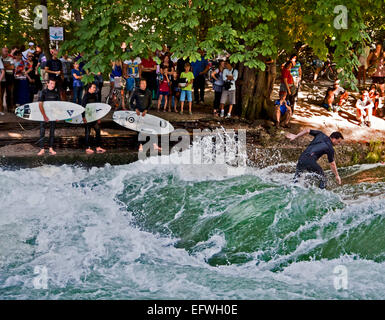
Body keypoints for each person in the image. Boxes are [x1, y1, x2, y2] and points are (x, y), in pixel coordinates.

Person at [129, 79, 161, 152]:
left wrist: (146, 110)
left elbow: (150, 103)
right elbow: (131, 103)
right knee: (140, 129)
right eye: (142, 83)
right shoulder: (136, 92)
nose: (143, 85)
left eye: (145, 84)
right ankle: (140, 145)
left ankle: (155, 145)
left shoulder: (148, 92)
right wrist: (135, 109)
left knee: (152, 128)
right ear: (139, 84)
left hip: (146, 114)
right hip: (138, 114)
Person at [37, 79, 61, 156]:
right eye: (51, 83)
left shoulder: (56, 93)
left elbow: (58, 106)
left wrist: (57, 116)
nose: (52, 85)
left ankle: (51, 148)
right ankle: (42, 149)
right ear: (47, 84)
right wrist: (44, 116)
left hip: (53, 115)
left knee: (52, 132)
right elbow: (40, 105)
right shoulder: (43, 92)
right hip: (43, 114)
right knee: (42, 131)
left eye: (54, 84)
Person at [81, 83, 106, 154]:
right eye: (93, 87)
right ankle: (87, 148)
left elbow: (96, 107)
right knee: (87, 132)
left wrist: (98, 117)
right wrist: (83, 117)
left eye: (95, 87)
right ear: (89, 88)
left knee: (98, 130)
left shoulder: (95, 95)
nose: (95, 89)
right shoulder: (86, 96)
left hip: (94, 117)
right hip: (88, 117)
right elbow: (83, 107)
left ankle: (98, 147)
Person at [1, 47, 15, 112]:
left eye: (7, 51)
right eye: (5, 51)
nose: (6, 53)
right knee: (1, 94)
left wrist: (3, 66)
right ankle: (1, 107)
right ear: (1, 52)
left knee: (10, 94)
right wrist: (7, 65)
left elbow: (12, 67)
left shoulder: (10, 58)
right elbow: (9, 66)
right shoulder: (0, 58)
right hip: (2, 78)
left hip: (10, 78)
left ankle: (9, 107)